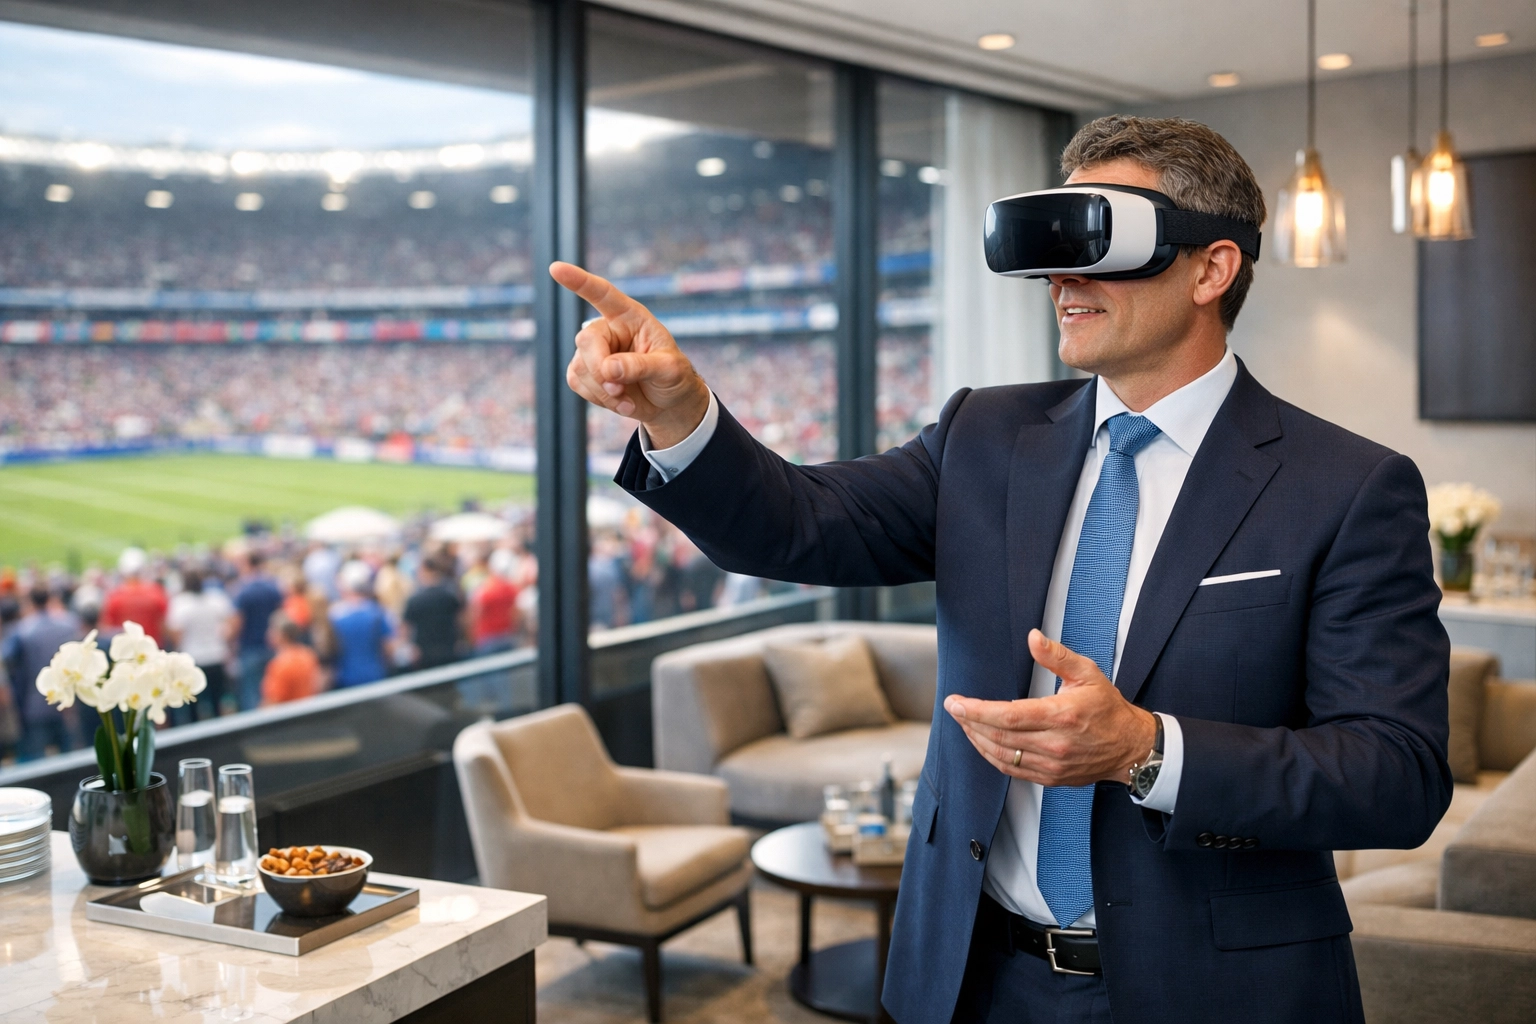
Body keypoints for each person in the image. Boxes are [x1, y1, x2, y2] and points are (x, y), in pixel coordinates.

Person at [551, 115, 1452, 1024]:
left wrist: (1147, 750)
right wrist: (680, 413)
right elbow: (795, 526)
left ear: (1211, 269)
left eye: (1098, 241)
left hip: (1216, 989)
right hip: (972, 976)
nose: (1061, 278)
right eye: (1051, 247)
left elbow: (1397, 774)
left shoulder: (1348, 487)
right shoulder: (986, 436)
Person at [3, 585, 85, 761]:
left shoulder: (21, 631)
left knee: (38, 764)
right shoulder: (68, 624)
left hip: (34, 706)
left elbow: (7, 660)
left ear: (30, 602)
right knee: (69, 761)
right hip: (66, 704)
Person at [165, 569, 234, 721]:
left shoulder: (180, 603)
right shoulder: (215, 598)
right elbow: (231, 623)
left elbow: (176, 633)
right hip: (216, 655)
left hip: (193, 659)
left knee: (193, 708)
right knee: (217, 702)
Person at [230, 551, 283, 711]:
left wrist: (231, 644)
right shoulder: (272, 587)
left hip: (251, 648)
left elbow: (237, 623)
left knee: (252, 693)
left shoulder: (243, 591)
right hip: (271, 645)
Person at [329, 560, 394, 688]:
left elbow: (331, 648)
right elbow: (388, 648)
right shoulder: (377, 612)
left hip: (346, 677)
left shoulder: (335, 615)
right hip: (375, 674)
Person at [403, 553, 464, 670]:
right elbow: (460, 620)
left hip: (425, 653)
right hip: (448, 649)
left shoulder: (415, 599)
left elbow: (406, 628)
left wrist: (410, 647)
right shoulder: (449, 594)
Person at [101, 548, 168, 645]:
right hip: (152, 648)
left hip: (126, 651)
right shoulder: (156, 592)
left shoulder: (115, 596)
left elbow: (107, 628)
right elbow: (163, 625)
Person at [260, 614, 321, 705]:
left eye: (271, 630)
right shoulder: (308, 654)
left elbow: (272, 700)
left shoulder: (280, 664)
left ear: (280, 635)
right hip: (309, 709)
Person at [468, 548, 520, 655]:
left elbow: (476, 613)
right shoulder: (511, 588)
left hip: (488, 637)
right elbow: (516, 613)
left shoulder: (486, 589)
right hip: (506, 634)